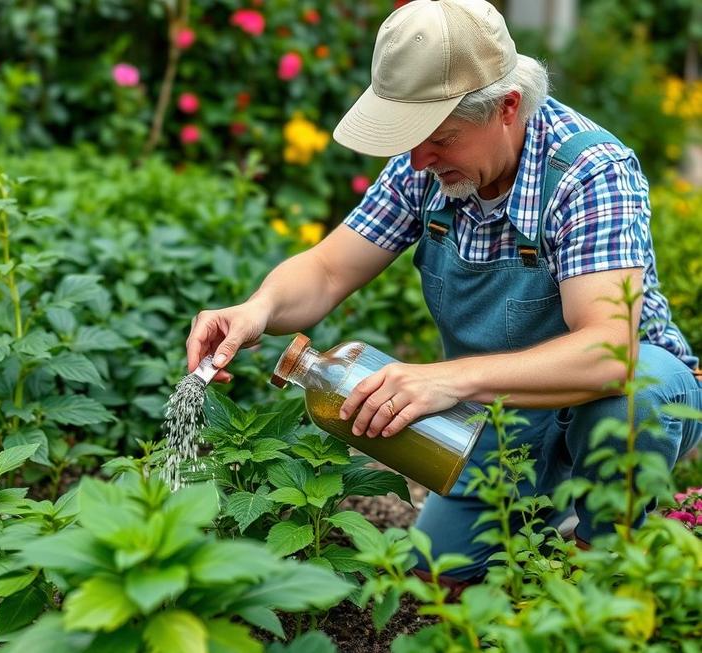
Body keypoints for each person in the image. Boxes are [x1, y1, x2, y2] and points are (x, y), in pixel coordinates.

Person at [185, 0, 702, 586]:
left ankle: (611, 571)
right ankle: (546, 510)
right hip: (505, 417)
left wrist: (442, 379)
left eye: (440, 138)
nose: (417, 158)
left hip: (612, 398)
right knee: (438, 575)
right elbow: (328, 270)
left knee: (635, 400)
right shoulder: (424, 167)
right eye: (409, 137)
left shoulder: (588, 172)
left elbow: (610, 353)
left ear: (508, 107)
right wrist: (258, 309)